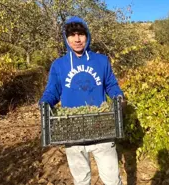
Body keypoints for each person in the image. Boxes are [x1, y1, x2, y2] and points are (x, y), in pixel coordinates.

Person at [39, 16, 123, 185]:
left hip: (101, 128)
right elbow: (53, 90)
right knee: (81, 180)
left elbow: (111, 85)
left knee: (113, 179)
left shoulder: (101, 61)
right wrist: (45, 102)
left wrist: (118, 96)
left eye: (81, 34)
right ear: (66, 38)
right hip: (73, 131)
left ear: (87, 36)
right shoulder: (59, 65)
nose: (77, 39)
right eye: (72, 35)